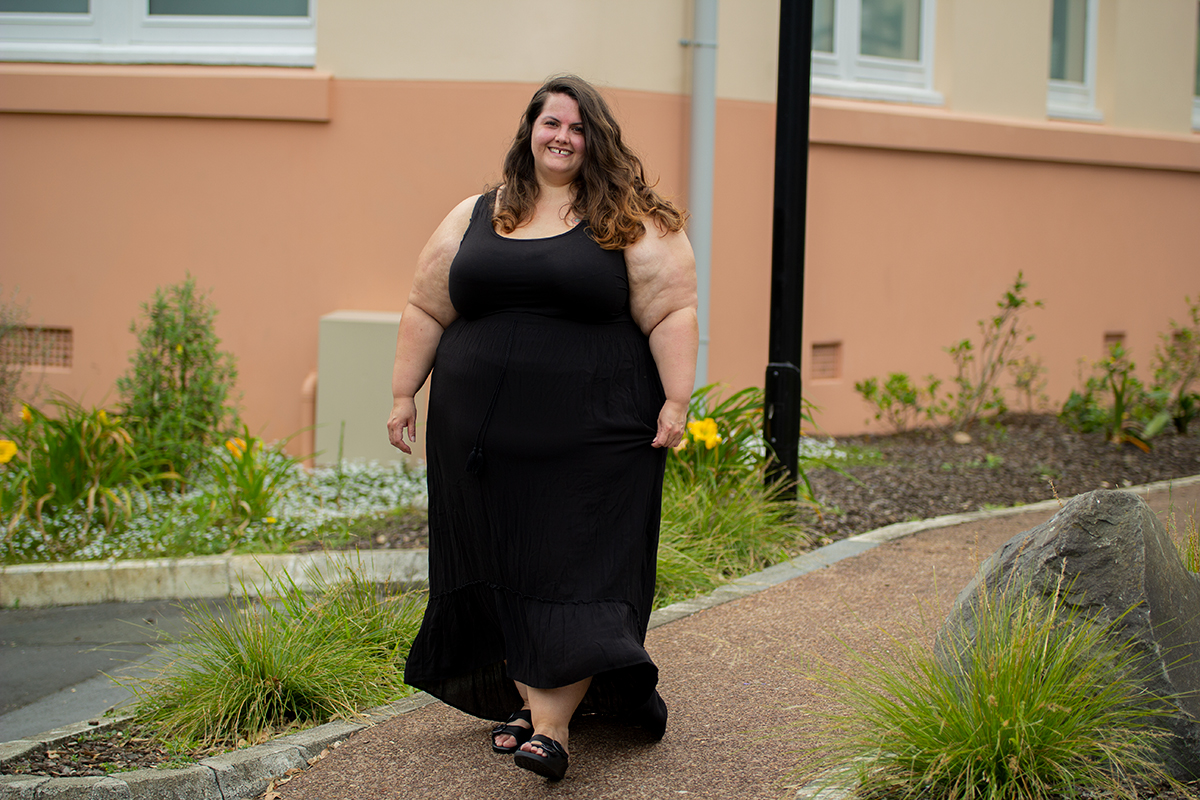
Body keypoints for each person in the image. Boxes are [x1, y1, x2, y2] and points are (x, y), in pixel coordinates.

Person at [387, 74, 697, 781]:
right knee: (500, 565)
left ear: (598, 140)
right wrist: (403, 393)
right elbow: (426, 306)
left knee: (574, 568)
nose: (562, 136)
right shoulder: (476, 213)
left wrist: (676, 401)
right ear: (530, 130)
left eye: (578, 127)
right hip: (481, 444)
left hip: (591, 440)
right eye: (551, 122)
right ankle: (531, 703)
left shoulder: (629, 218)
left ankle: (552, 731)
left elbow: (673, 308)